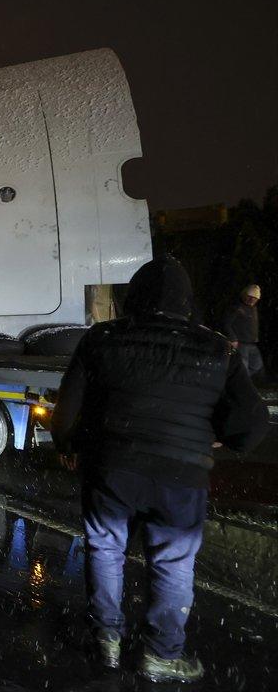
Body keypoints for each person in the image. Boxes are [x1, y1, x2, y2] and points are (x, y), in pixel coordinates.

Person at [52, 256, 269, 683]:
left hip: (112, 468)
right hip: (181, 478)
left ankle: (106, 639)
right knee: (172, 564)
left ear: (134, 296)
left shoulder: (103, 338)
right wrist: (222, 438)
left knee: (105, 549)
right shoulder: (217, 347)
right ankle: (161, 654)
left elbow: (66, 410)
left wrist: (70, 446)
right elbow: (252, 424)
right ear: (186, 302)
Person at [221, 284, 265, 380]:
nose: (252, 300)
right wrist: (233, 338)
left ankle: (237, 381)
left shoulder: (253, 309)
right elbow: (226, 323)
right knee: (243, 368)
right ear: (244, 295)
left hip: (252, 343)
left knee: (256, 365)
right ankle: (237, 384)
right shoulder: (237, 308)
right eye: (250, 297)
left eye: (254, 298)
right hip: (241, 343)